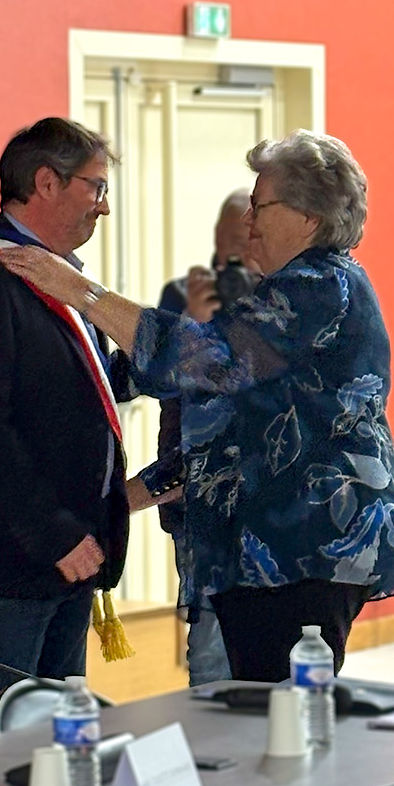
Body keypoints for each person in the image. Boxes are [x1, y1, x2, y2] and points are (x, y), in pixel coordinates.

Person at [1, 128, 394, 786]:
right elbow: (219, 419)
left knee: (291, 759)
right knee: (276, 752)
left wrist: (80, 292)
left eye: (262, 207)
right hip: (265, 561)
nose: (247, 222)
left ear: (309, 219)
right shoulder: (284, 291)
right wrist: (122, 495)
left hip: (298, 558)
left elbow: (203, 360)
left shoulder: (318, 285)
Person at [0, 117, 130, 744]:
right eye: (95, 187)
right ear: (46, 182)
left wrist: (171, 358)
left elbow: (75, 391)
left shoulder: (56, 274)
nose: (103, 205)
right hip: (13, 561)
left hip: (68, 556)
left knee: (60, 744)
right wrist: (55, 534)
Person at [156, 188, 257, 686]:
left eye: (250, 235)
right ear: (216, 236)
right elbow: (160, 379)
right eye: (231, 236)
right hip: (195, 490)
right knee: (211, 641)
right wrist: (192, 325)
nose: (239, 248)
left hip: (265, 494)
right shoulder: (182, 295)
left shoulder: (283, 301)